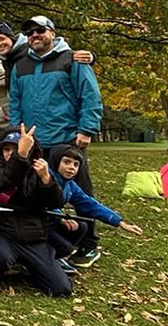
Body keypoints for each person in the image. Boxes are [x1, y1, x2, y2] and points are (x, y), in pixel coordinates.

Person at [8, 15, 103, 266]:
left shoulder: (73, 60)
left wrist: (86, 129)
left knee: (80, 192)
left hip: (66, 138)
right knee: (40, 192)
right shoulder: (21, 65)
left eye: (39, 30)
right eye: (29, 33)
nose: (34, 36)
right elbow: (15, 101)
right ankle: (54, 240)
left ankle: (90, 243)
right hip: (36, 143)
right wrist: (18, 133)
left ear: (52, 32)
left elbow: (90, 96)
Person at [0, 125, 71, 297]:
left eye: (17, 148)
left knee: (62, 289)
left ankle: (36, 268)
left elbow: (55, 202)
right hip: (5, 235)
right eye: (7, 149)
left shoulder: (38, 170)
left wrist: (46, 180)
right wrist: (20, 155)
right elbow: (3, 181)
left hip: (34, 238)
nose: (11, 153)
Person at [48, 144, 143, 271]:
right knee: (66, 247)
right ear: (56, 161)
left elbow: (91, 205)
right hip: (37, 224)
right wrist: (60, 218)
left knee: (81, 227)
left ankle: (54, 255)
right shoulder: (45, 177)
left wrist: (120, 222)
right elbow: (42, 203)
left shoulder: (70, 185)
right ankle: (46, 257)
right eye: (66, 162)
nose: (71, 168)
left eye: (76, 165)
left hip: (51, 222)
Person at [0, 20, 95, 88]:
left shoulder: (30, 50)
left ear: (11, 38)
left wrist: (91, 57)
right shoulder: (6, 59)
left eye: (2, 38)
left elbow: (57, 55)